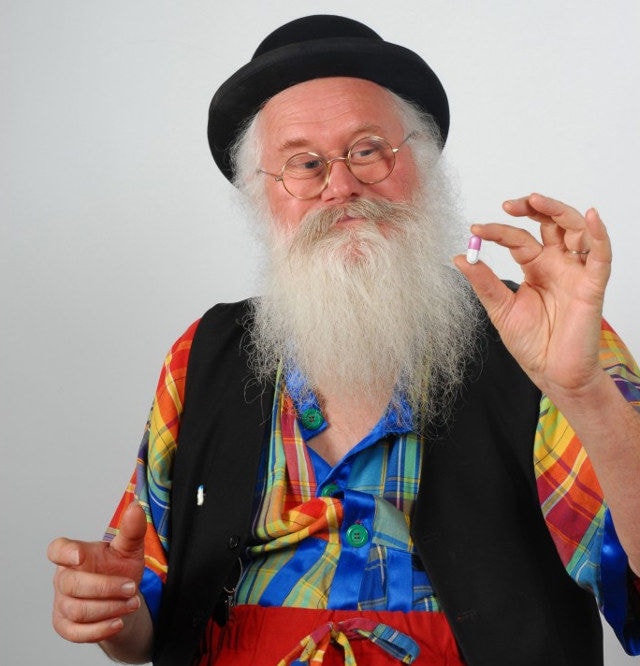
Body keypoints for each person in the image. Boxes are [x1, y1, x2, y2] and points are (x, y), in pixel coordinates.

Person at [48, 14, 640, 666]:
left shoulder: (541, 330)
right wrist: (111, 611)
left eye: (368, 149)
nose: (341, 185)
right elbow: (146, 624)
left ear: (425, 166)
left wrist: (586, 393)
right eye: (303, 163)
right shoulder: (201, 355)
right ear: (261, 199)